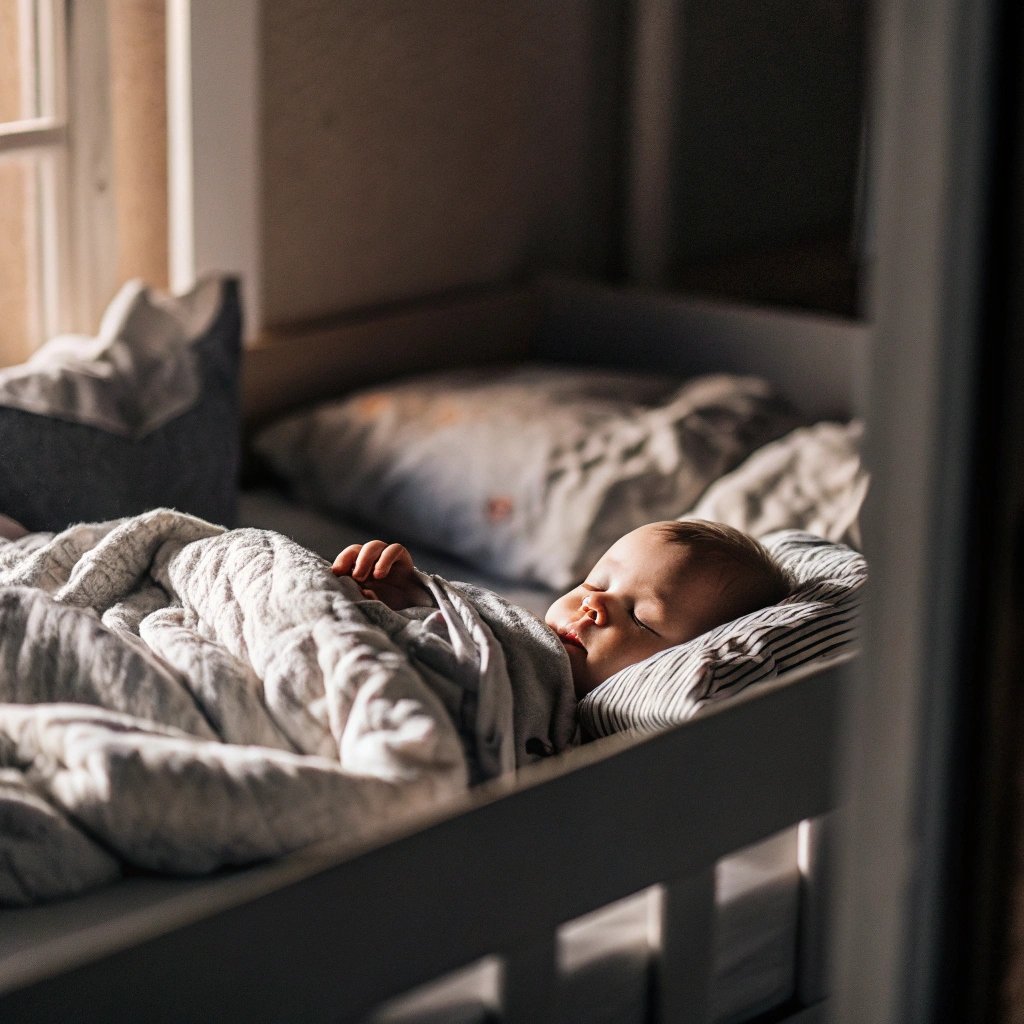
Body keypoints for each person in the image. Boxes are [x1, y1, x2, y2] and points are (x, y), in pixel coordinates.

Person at [333, 519, 793, 699]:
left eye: (641, 618)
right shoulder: (515, 631)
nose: (593, 604)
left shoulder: (587, 729)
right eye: (595, 582)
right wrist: (402, 597)